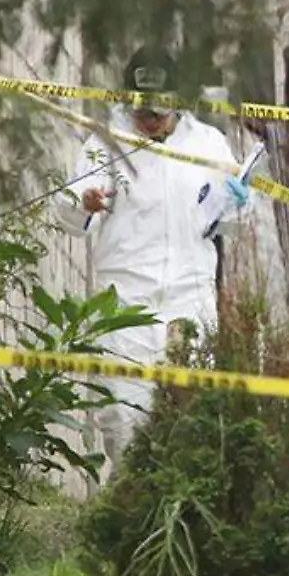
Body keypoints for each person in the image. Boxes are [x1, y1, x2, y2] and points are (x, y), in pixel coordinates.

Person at [50, 46, 253, 472]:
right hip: (125, 297)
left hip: (189, 295)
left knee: (191, 414)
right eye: (143, 111)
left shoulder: (208, 144)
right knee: (125, 415)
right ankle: (127, 511)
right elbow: (67, 212)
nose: (150, 121)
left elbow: (229, 221)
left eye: (159, 112)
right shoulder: (106, 140)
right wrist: (85, 202)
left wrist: (240, 202)